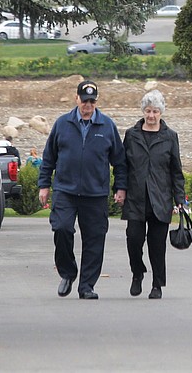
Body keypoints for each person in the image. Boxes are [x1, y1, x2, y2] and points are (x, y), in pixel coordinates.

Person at [38, 79, 126, 300]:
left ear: (96, 102)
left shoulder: (107, 126)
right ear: (76, 98)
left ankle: (86, 285)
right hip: (65, 191)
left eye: (92, 101)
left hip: (95, 193)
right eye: (84, 100)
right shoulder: (62, 124)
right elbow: (49, 157)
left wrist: (121, 187)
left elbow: (120, 161)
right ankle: (67, 272)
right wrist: (44, 185)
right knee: (62, 229)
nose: (88, 105)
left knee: (95, 239)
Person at [122, 89, 186, 300]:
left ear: (161, 113)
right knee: (133, 239)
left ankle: (157, 284)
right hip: (136, 198)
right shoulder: (132, 135)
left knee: (157, 245)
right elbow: (123, 166)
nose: (151, 115)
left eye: (155, 111)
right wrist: (120, 189)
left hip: (160, 199)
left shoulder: (170, 137)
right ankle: (137, 272)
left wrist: (180, 199)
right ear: (143, 111)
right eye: (148, 111)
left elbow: (176, 171)